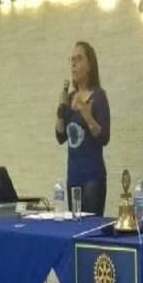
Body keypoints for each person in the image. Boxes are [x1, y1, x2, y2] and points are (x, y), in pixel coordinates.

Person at [55, 41, 110, 216]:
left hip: (92, 178)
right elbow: (60, 137)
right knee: (74, 226)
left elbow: (104, 137)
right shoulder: (70, 97)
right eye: (71, 60)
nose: (73, 64)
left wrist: (87, 115)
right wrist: (60, 111)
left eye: (78, 59)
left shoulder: (98, 96)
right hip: (73, 177)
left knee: (90, 226)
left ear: (89, 66)